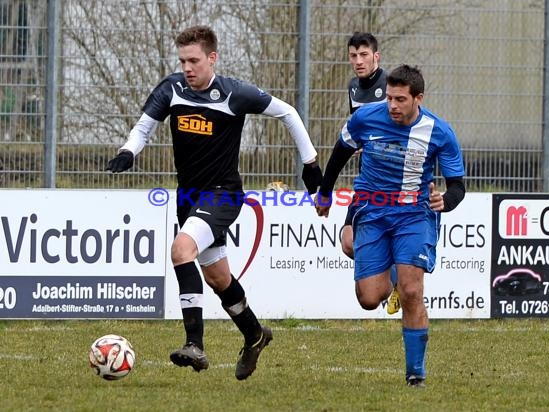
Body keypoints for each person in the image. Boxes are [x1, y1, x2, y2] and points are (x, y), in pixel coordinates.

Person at [107, 25, 322, 381]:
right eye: (183, 61)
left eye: (194, 60)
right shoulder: (172, 88)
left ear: (212, 58)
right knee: (218, 278)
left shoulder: (234, 93)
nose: (187, 68)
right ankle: (255, 334)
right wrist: (129, 150)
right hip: (188, 197)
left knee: (181, 250)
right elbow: (144, 127)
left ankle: (194, 344)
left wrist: (310, 163)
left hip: (223, 193)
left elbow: (288, 113)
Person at [315, 64, 465, 387]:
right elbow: (341, 151)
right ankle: (393, 275)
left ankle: (415, 374)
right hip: (373, 212)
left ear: (418, 98)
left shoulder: (439, 132)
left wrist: (446, 201)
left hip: (414, 215)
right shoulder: (366, 118)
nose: (393, 106)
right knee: (369, 298)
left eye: (400, 99)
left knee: (413, 291)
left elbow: (457, 186)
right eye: (389, 99)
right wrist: (325, 192)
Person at [341, 32, 400, 315]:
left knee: (369, 297)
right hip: (365, 180)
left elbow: (396, 133)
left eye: (364, 55)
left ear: (376, 56)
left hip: (388, 185)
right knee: (348, 243)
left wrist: (371, 146)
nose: (358, 61)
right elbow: (357, 129)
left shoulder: (389, 87)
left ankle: (396, 278)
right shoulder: (353, 87)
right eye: (353, 55)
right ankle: (391, 274)